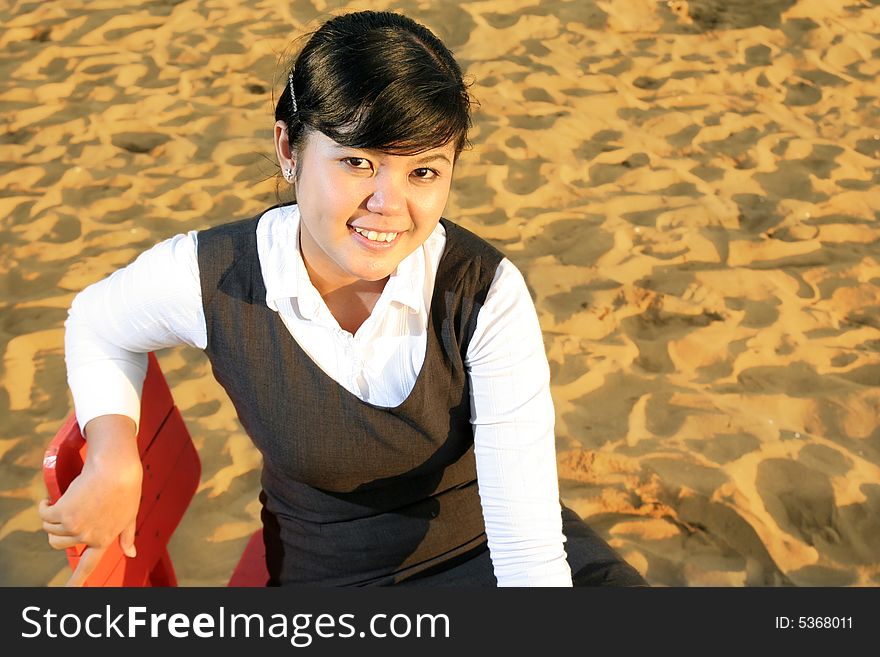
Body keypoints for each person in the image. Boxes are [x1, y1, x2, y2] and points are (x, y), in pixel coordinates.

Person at [39, 10, 646, 587]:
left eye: (424, 173)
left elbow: (527, 541)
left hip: (495, 549)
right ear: (288, 149)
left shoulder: (480, 290)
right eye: (357, 162)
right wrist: (114, 453)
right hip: (343, 581)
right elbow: (95, 321)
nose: (389, 204)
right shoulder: (218, 274)